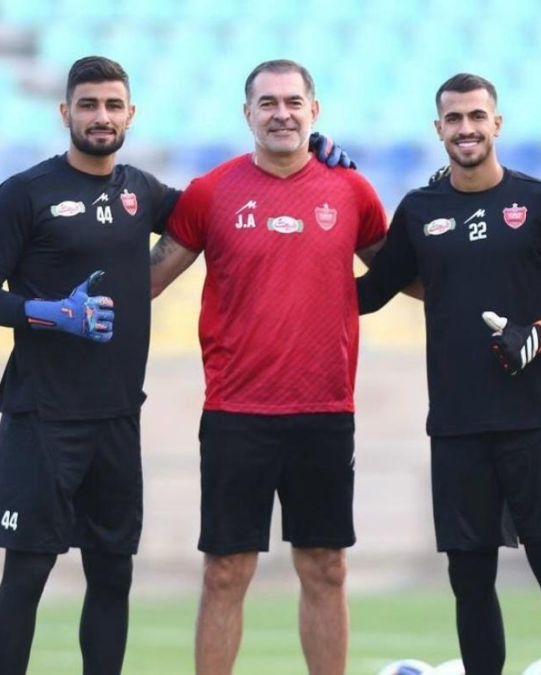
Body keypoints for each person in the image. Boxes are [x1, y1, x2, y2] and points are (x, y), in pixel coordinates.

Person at [0, 55, 349, 675]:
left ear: (130, 114)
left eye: (113, 106)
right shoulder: (24, 193)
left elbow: (226, 204)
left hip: (117, 418)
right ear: (65, 112)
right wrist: (50, 313)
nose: (101, 116)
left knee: (112, 575)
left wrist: (314, 159)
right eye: (88, 105)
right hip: (41, 416)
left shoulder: (141, 192)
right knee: (28, 570)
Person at [356, 73, 541, 675]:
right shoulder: (420, 210)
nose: (465, 128)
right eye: (454, 119)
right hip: (458, 425)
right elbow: (369, 294)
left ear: (496, 123)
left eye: (476, 117)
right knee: (469, 579)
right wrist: (320, 228)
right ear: (438, 128)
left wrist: (540, 333)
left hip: (536, 419)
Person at [148, 59, 388, 675]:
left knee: (326, 566)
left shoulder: (351, 190)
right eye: (268, 103)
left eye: (293, 102)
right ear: (247, 114)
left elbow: (405, 274)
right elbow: (146, 281)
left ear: (315, 111)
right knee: (225, 570)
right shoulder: (211, 192)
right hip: (236, 413)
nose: (282, 114)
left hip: (325, 409)